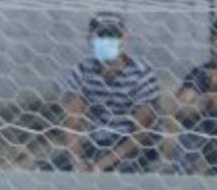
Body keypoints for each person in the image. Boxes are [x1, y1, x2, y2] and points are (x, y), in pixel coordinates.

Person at [44, 11, 160, 174]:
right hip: (95, 144)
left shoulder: (142, 75)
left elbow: (140, 133)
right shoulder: (82, 72)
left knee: (121, 181)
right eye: (101, 35)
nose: (107, 40)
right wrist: (78, 161)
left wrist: (102, 165)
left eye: (113, 35)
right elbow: (72, 124)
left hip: (130, 149)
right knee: (48, 173)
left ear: (125, 38)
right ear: (90, 39)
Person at [171, 32, 217, 175]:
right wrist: (203, 103)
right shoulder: (202, 73)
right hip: (208, 141)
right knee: (193, 126)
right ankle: (181, 177)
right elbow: (179, 108)